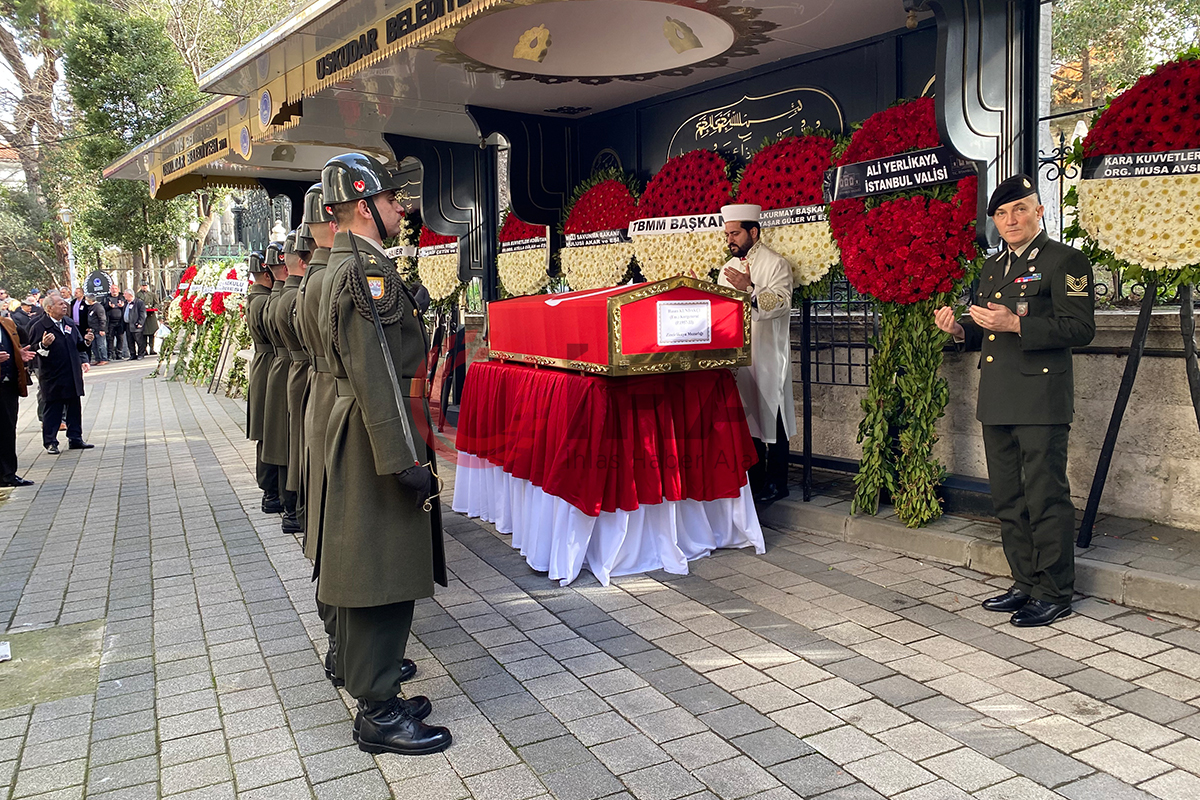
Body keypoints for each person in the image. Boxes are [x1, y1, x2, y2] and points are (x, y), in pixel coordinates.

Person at [319, 153, 448, 756]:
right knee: (380, 570)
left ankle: (372, 681)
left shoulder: (350, 265)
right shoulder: (362, 272)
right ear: (366, 204)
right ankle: (377, 710)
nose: (402, 209)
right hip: (379, 434)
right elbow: (377, 372)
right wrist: (403, 458)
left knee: (371, 561)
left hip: (365, 428)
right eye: (393, 200)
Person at [934, 174, 1096, 628]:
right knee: (1008, 497)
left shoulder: (1067, 260)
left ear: (1039, 211)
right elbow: (988, 328)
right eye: (1002, 214)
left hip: (1041, 398)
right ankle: (1025, 581)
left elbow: (1081, 330)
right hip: (998, 396)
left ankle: (1054, 590)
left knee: (1045, 495)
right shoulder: (992, 268)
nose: (1011, 219)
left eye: (1020, 209)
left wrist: (1018, 325)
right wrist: (959, 331)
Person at [717, 204, 796, 504]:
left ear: (753, 231)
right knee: (747, 419)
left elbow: (781, 303)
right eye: (727, 234)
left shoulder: (776, 264)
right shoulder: (728, 269)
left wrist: (750, 289)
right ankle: (754, 480)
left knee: (773, 418)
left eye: (735, 233)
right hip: (740, 357)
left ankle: (778, 483)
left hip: (768, 355)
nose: (730, 240)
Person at [262, 240, 299, 532]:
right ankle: (291, 506)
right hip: (292, 368)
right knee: (290, 443)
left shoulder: (272, 299)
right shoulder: (289, 298)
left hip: (279, 367)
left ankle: (280, 499)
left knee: (279, 440)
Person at [29, 295, 94, 454]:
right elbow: (31, 351)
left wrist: (86, 342)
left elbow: (77, 345)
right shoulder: (39, 327)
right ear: (49, 308)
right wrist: (43, 345)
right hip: (52, 375)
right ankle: (51, 442)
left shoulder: (69, 323)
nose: (65, 306)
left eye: (65, 304)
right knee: (53, 408)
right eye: (60, 304)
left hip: (71, 372)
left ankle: (75, 438)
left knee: (74, 407)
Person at [246, 251, 284, 515]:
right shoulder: (264, 302)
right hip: (272, 363)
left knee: (267, 432)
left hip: (265, 364)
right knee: (271, 434)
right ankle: (271, 492)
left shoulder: (255, 298)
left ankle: (270, 492)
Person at [275, 231, 307, 537]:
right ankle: (295, 508)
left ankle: (291, 506)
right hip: (302, 370)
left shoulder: (283, 296)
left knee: (291, 442)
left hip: (292, 369)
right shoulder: (294, 297)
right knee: (297, 445)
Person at [0, 312, 36, 486]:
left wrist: (18, 354)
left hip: (8, 386)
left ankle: (8, 475)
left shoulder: (7, 323)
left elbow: (14, 346)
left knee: (8, 430)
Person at [100, 284, 127, 361]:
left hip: (120, 322)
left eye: (115, 288)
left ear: (118, 289)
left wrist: (122, 306)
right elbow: (102, 309)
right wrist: (108, 307)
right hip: (110, 322)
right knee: (110, 338)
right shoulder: (106, 298)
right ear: (110, 290)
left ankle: (119, 354)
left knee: (120, 338)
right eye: (112, 289)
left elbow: (128, 308)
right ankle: (110, 354)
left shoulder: (122, 297)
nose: (114, 290)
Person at [136, 281, 160, 355]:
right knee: (143, 334)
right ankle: (144, 349)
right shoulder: (137, 295)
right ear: (141, 286)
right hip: (142, 316)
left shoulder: (152, 295)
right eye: (143, 286)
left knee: (152, 334)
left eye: (145, 286)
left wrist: (154, 308)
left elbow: (156, 303)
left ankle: (152, 348)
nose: (144, 287)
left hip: (151, 316)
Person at [122, 289, 147, 360]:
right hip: (128, 325)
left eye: (125, 294)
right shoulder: (126, 303)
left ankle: (141, 354)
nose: (124, 295)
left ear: (130, 295)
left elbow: (143, 314)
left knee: (139, 340)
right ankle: (132, 354)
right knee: (130, 341)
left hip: (136, 325)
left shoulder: (139, 302)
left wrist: (140, 322)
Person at [86, 295, 108, 365]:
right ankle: (97, 358)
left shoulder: (98, 307)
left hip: (99, 329)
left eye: (87, 299)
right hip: (93, 329)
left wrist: (102, 329)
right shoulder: (91, 307)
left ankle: (104, 358)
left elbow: (102, 319)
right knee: (94, 346)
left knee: (101, 345)